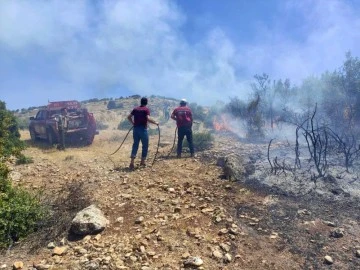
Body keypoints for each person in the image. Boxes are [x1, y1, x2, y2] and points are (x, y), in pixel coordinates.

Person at [127, 97, 159, 169]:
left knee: (135, 144)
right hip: (143, 129)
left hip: (135, 129)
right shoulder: (146, 109)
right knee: (145, 145)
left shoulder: (135, 109)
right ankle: (142, 162)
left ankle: (132, 162)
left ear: (141, 102)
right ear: (146, 102)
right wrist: (155, 122)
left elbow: (129, 117)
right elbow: (148, 118)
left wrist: (133, 123)